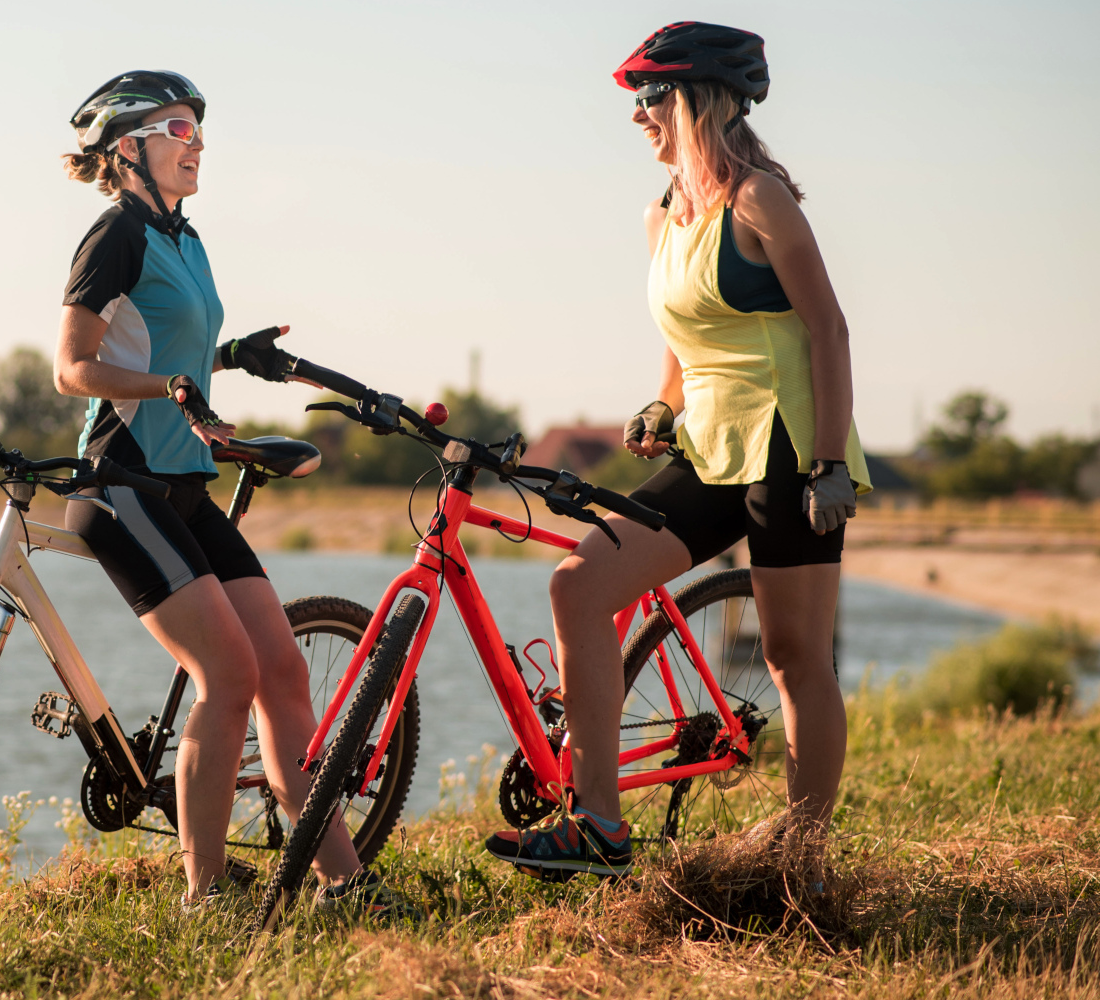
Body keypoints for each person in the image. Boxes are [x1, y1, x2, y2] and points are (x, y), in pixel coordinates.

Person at [485, 23, 871, 878]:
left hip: (788, 450)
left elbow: (829, 331)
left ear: (698, 101)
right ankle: (599, 827)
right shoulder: (663, 215)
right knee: (579, 584)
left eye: (649, 98)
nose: (637, 118)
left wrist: (832, 463)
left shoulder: (760, 200)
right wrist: (663, 403)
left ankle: (801, 858)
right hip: (707, 449)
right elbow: (683, 342)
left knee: (792, 656)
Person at [54, 70, 418, 918]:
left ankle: (341, 883)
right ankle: (204, 894)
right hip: (120, 484)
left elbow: (169, 355)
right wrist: (173, 382)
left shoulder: (189, 240)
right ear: (128, 148)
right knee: (228, 673)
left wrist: (227, 358)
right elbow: (75, 369)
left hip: (184, 485)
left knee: (283, 671)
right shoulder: (115, 236)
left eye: (198, 131)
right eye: (178, 129)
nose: (198, 145)